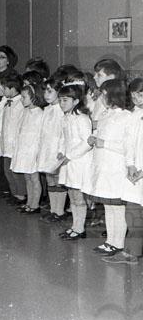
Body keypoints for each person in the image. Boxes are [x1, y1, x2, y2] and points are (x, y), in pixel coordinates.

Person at [86, 79, 131, 257]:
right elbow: (100, 133)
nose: (101, 98)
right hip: (103, 167)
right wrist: (94, 138)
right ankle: (110, 241)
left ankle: (118, 243)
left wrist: (105, 143)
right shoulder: (105, 114)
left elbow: (127, 145)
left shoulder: (126, 117)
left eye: (104, 95)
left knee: (118, 208)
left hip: (116, 168)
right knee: (108, 206)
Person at [106, 78, 143, 264]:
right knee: (133, 213)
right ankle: (131, 253)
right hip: (135, 172)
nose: (137, 98)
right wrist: (130, 164)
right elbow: (129, 143)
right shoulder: (133, 115)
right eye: (133, 95)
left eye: (141, 94)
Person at [56, 83, 93, 241]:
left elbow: (87, 143)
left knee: (78, 197)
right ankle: (75, 226)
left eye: (65, 100)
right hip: (68, 162)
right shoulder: (65, 117)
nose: (61, 103)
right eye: (60, 100)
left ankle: (80, 228)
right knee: (72, 195)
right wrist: (61, 151)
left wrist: (70, 155)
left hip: (79, 163)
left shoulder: (82, 119)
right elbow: (63, 138)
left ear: (76, 101)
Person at [10, 82, 47, 213]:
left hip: (33, 151)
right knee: (27, 177)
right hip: (24, 149)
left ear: (33, 97)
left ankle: (35, 205)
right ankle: (29, 202)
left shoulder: (40, 114)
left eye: (24, 97)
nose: (21, 99)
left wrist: (38, 152)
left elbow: (41, 136)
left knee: (34, 178)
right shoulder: (25, 111)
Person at [36, 77, 66, 223]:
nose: (46, 95)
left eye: (50, 91)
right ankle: (53, 210)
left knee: (58, 179)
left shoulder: (62, 110)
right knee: (50, 179)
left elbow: (64, 133)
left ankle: (59, 211)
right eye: (45, 91)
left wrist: (62, 150)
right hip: (47, 148)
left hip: (57, 149)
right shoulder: (47, 110)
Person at [0, 74, 25, 205]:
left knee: (15, 172)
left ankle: (21, 195)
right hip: (6, 143)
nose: (3, 91)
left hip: (14, 144)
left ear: (13, 89)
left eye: (5, 88)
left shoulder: (20, 104)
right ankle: (14, 193)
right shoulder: (7, 103)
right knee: (7, 171)